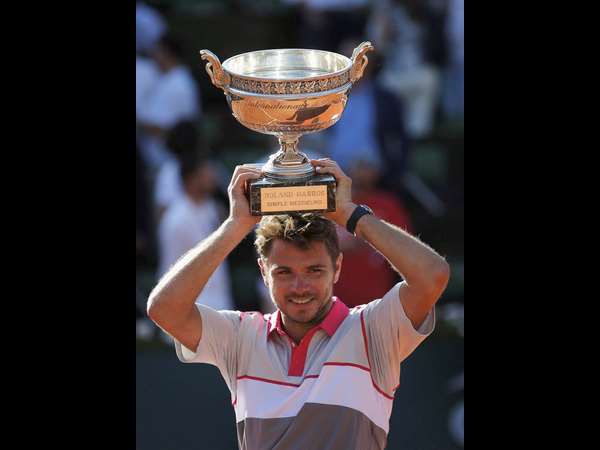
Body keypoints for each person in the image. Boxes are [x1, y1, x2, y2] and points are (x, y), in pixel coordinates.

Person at [147, 158, 450, 450]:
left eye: (314, 271)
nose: (300, 287)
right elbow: (164, 309)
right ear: (263, 272)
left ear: (337, 267)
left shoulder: (372, 330)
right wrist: (235, 225)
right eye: (284, 272)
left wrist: (350, 214)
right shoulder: (241, 336)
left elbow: (432, 275)